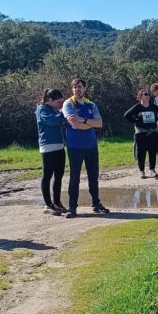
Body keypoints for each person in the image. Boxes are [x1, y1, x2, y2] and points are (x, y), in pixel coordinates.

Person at [63, 78, 110, 216]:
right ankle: (72, 207)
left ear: (85, 88)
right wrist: (90, 123)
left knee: (93, 177)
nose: (78, 89)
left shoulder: (91, 104)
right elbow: (75, 125)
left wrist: (83, 120)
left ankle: (96, 204)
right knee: (74, 178)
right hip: (75, 146)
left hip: (91, 146)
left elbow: (99, 123)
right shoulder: (68, 104)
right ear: (72, 89)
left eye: (80, 87)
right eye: (75, 87)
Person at [36, 88, 67, 215]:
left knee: (59, 176)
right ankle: (48, 204)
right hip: (48, 147)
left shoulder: (56, 110)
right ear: (50, 100)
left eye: (62, 102)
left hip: (60, 146)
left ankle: (57, 202)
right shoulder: (42, 109)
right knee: (47, 176)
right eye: (58, 102)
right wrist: (63, 113)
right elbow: (52, 121)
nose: (60, 104)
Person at [125, 89, 158, 178]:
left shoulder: (153, 106)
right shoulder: (137, 107)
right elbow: (126, 115)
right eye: (145, 94)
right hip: (141, 133)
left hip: (153, 132)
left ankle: (152, 170)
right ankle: (141, 171)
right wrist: (136, 121)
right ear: (140, 96)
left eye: (148, 94)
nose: (148, 95)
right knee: (141, 152)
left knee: (152, 151)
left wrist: (156, 119)